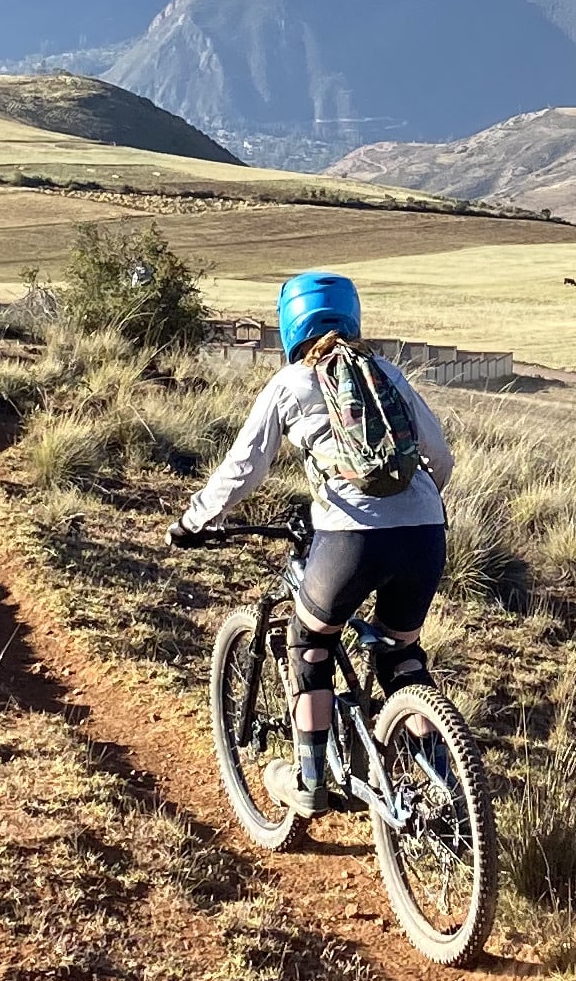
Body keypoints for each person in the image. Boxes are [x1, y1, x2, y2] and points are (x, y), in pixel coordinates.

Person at [166, 271, 453, 819]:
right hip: (424, 532)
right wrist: (416, 509)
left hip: (350, 537)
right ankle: (450, 790)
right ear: (352, 315)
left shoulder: (290, 384)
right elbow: (439, 455)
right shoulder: (387, 373)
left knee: (310, 643)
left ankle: (310, 782)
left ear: (290, 324)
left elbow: (244, 468)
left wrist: (194, 519)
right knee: (401, 655)